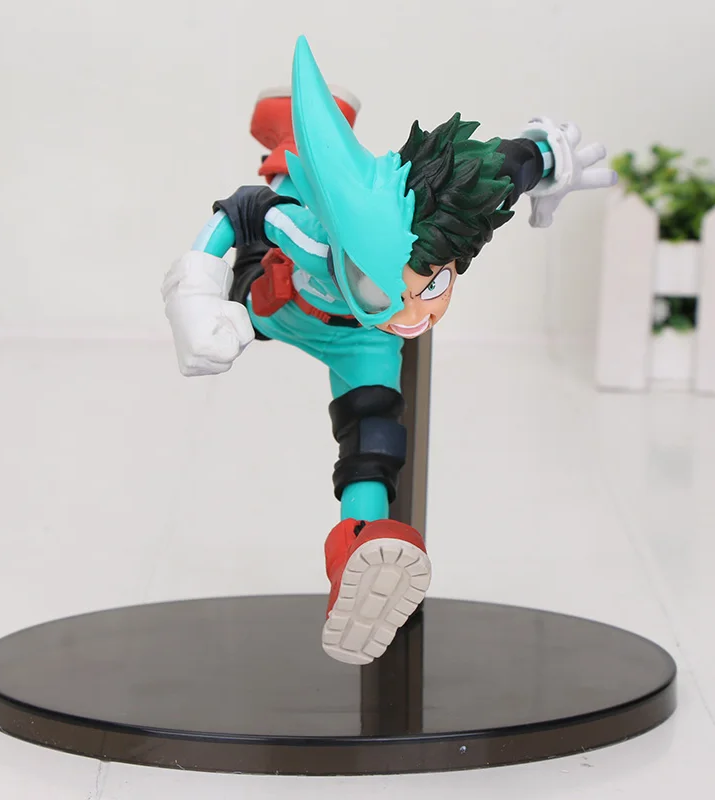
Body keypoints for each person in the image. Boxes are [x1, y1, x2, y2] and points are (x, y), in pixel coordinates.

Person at [161, 35, 616, 665]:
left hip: (359, 341)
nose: (413, 314)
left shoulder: (447, 227)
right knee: (282, 198)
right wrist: (195, 297)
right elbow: (239, 212)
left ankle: (357, 551)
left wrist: (550, 154)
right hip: (276, 302)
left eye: (432, 288)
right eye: (386, 290)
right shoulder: (309, 237)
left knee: (373, 440)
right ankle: (282, 139)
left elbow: (516, 161)